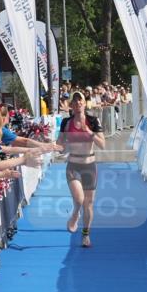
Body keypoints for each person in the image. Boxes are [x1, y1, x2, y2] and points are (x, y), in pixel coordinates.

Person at [57, 91, 105, 248]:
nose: (78, 104)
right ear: (71, 105)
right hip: (73, 165)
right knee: (79, 199)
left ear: (85, 103)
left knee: (88, 204)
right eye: (75, 101)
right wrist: (53, 146)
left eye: (80, 101)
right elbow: (60, 145)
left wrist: (89, 132)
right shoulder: (66, 123)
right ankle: (75, 213)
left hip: (90, 166)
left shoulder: (93, 120)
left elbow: (102, 144)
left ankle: (86, 235)